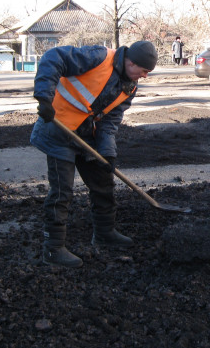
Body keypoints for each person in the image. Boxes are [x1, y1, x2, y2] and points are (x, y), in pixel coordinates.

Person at [30, 41, 158, 268]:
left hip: (86, 135)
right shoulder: (98, 56)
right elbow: (53, 57)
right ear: (131, 61)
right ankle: (53, 248)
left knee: (103, 183)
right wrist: (44, 97)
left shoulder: (130, 87)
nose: (145, 76)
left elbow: (109, 123)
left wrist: (108, 153)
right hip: (58, 128)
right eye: (144, 70)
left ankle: (104, 233)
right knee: (62, 191)